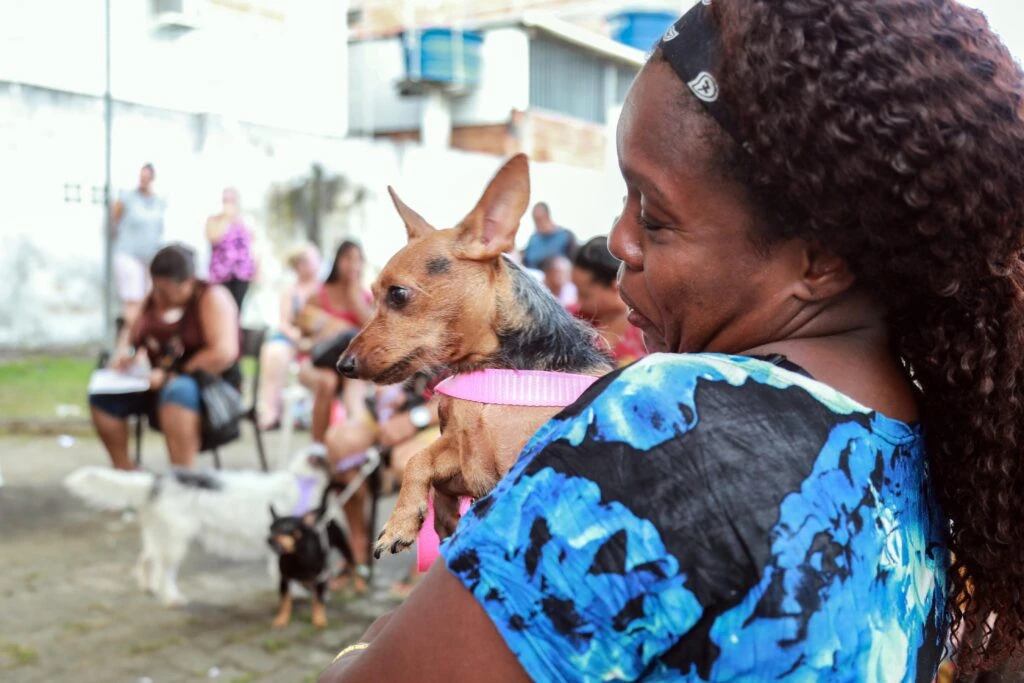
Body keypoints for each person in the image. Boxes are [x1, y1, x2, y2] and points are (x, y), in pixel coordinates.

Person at [320, 0, 1024, 679]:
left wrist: (370, 641)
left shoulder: (663, 423)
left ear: (821, 257)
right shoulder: (913, 444)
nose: (618, 239)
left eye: (652, 215)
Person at [91, 245, 239, 470]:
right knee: (102, 396)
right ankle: (125, 471)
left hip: (207, 387)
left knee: (178, 390)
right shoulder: (152, 299)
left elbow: (224, 353)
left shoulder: (212, 298)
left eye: (167, 292)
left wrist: (173, 374)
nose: (160, 298)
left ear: (188, 282)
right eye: (156, 289)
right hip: (154, 382)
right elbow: (130, 332)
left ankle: (182, 477)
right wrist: (125, 355)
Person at [324, 374, 441, 594]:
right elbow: (356, 370)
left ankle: (428, 560)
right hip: (382, 412)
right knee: (340, 442)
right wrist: (359, 412)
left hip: (437, 413)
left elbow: (468, 382)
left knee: (412, 461)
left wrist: (414, 420)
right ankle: (357, 549)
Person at [297, 240, 374, 452]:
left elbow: (373, 334)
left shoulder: (366, 297)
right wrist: (325, 334)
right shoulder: (318, 296)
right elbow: (301, 342)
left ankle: (351, 448)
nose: (352, 265)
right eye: (347, 258)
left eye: (358, 260)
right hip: (316, 363)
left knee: (353, 382)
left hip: (349, 367)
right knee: (327, 381)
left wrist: (353, 298)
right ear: (337, 261)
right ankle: (318, 448)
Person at [256, 242, 323, 430]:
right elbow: (283, 322)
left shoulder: (323, 289)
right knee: (273, 352)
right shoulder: (290, 291)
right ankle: (270, 410)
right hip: (292, 338)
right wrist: (297, 338)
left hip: (317, 339)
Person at [572, 236, 646, 367]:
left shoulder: (648, 329)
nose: (578, 301)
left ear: (615, 286)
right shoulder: (573, 320)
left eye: (584, 295)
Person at [110, 163, 166, 333]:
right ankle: (128, 341)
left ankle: (142, 339)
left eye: (147, 177)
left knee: (149, 300)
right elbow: (114, 220)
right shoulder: (127, 198)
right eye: (142, 177)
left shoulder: (159, 202)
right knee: (133, 299)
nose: (144, 180)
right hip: (128, 254)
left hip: (149, 258)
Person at [206, 187, 256, 310]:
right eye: (225, 200)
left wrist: (257, 269)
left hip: (242, 272)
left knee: (238, 308)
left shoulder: (246, 220)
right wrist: (225, 219)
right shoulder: (214, 220)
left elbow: (252, 244)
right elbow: (213, 238)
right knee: (222, 307)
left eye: (231, 200)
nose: (228, 203)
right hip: (220, 273)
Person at [520, 202, 575, 270]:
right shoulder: (534, 239)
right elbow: (525, 260)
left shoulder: (566, 237)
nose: (537, 224)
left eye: (539, 219)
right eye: (535, 220)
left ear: (547, 217)